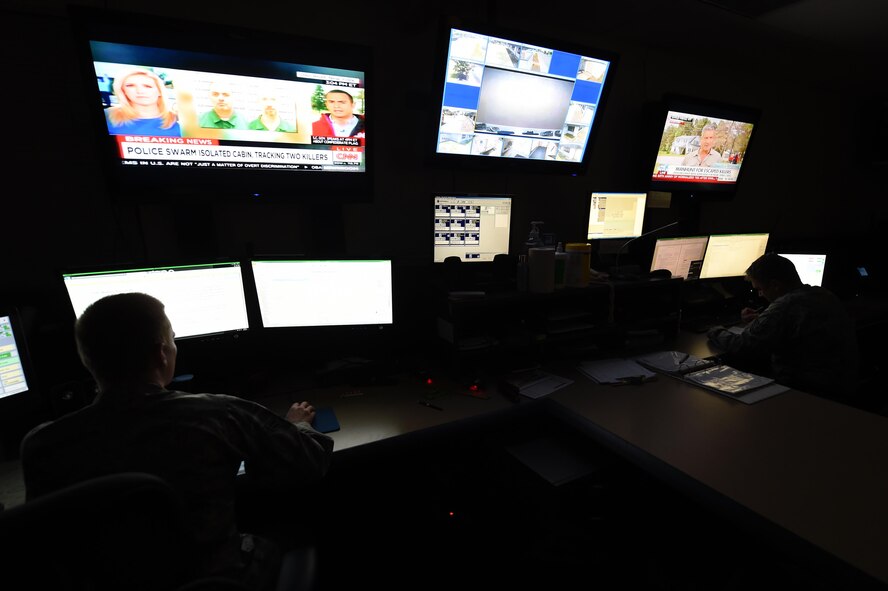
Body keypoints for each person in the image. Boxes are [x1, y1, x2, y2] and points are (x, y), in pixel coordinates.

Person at [19, 292, 333, 590]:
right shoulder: (218, 412)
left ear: (87, 360)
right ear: (160, 352)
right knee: (297, 528)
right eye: (172, 338)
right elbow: (310, 462)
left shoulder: (41, 446)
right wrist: (300, 425)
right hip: (216, 584)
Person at [707, 253, 859, 400]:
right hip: (841, 383)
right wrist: (763, 319)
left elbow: (743, 345)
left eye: (760, 289)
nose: (760, 295)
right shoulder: (823, 294)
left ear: (775, 285)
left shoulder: (783, 307)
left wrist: (715, 330)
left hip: (805, 390)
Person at [104, 69, 181, 137]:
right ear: (123, 91)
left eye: (147, 86)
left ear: (159, 91)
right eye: (130, 86)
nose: (140, 91)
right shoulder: (108, 115)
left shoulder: (180, 120)